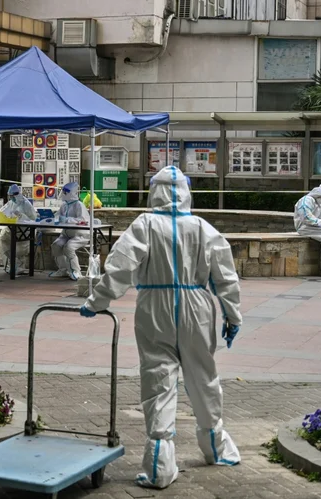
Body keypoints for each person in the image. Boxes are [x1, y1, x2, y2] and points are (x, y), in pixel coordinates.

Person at [79, 165, 242, 490]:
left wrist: (97, 301)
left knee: (158, 379)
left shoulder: (145, 225)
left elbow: (120, 266)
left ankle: (160, 466)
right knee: (204, 378)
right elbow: (225, 277)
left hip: (154, 307)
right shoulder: (202, 228)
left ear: (155, 192)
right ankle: (216, 448)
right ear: (186, 191)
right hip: (197, 306)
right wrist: (232, 316)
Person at [49, 181, 90, 281]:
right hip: (66, 234)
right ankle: (63, 269)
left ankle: (76, 271)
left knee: (69, 247)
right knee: (56, 246)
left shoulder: (79, 205)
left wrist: (67, 220)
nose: (63, 194)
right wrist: (48, 217)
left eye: (65, 192)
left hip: (80, 235)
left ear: (71, 193)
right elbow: (57, 216)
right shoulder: (64, 205)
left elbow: (83, 221)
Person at [0, 184, 37, 275]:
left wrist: (21, 215)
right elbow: (2, 210)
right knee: (3, 237)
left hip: (25, 230)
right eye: (10, 196)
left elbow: (33, 219)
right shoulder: (11, 203)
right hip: (12, 229)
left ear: (16, 194)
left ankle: (19, 266)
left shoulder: (26, 204)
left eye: (12, 196)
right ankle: (13, 265)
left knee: (20, 250)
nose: (11, 198)